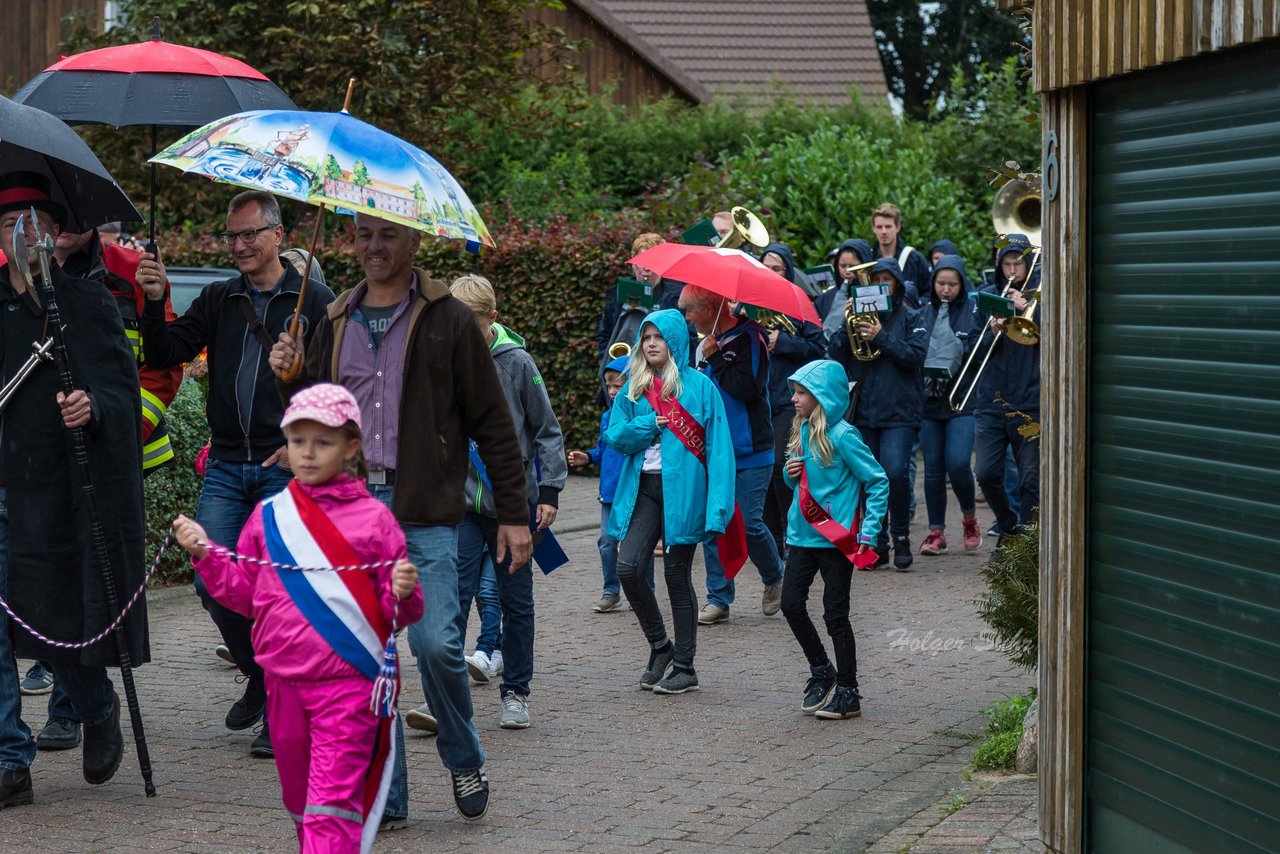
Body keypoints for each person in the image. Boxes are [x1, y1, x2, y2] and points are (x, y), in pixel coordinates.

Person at [269, 211, 531, 823]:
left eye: (387, 234)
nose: (374, 245)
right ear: (352, 242)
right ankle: (388, 794)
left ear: (413, 240)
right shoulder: (332, 320)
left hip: (426, 513)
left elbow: (493, 420)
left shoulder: (449, 320)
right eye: (364, 234)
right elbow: (316, 419)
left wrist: (513, 513)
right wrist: (291, 379)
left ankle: (463, 752)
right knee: (365, 660)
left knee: (437, 645)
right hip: (353, 514)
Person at [173, 383, 424, 851]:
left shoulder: (374, 521)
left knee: (331, 807)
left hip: (348, 687)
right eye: (297, 441)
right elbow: (246, 593)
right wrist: (204, 553)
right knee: (301, 804)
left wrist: (403, 594)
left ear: (351, 447)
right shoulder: (269, 516)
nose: (307, 453)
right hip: (281, 685)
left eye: (322, 442)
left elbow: (400, 614)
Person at [137, 190, 337, 758]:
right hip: (226, 464)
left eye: (251, 234)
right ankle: (262, 674)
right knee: (211, 577)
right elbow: (164, 350)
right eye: (232, 236)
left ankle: (281, 706)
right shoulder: (221, 298)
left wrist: (301, 432)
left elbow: (338, 388)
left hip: (281, 468)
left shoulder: (316, 303)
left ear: (278, 235)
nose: (241, 245)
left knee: (281, 593)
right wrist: (155, 300)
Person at [0, 172, 142, 807]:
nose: (22, 234)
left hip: (58, 493)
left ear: (54, 232)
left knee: (46, 626)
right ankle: (10, 759)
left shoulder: (85, 302)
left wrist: (95, 407)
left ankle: (96, 703)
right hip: (4, 484)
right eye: (9, 223)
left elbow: (121, 388)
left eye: (33, 221)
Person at [28, 224, 184, 754]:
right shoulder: (14, 272)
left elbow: (162, 367)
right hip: (42, 462)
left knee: (93, 582)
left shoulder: (131, 270)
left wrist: (118, 431)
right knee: (49, 579)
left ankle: (73, 709)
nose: (59, 226)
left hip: (115, 454)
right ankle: (84, 704)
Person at [448, 274, 566, 730]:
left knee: (517, 603)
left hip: (511, 506)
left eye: (471, 325)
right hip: (459, 504)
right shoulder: (444, 357)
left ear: (492, 319)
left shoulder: (517, 362)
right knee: (452, 600)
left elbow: (547, 430)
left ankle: (516, 691)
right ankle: (450, 697)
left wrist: (551, 490)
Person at [605, 310, 734, 695]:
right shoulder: (633, 389)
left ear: (675, 341)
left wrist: (718, 508)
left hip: (686, 492)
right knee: (627, 568)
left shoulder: (700, 387)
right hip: (644, 487)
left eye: (659, 337)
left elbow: (720, 451)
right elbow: (616, 436)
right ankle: (661, 647)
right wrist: (648, 425)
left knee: (676, 575)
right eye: (646, 337)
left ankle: (685, 667)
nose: (651, 343)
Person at [780, 360, 888, 720]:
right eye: (794, 392)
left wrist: (869, 532)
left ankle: (848, 690)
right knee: (791, 605)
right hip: (801, 536)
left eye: (801, 393)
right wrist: (788, 473)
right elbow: (796, 483)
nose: (793, 399)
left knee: (835, 615)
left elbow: (877, 481)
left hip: (837, 541)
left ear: (822, 397)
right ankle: (820, 669)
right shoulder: (802, 430)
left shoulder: (844, 436)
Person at [677, 284, 785, 624]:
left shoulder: (751, 338)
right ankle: (719, 598)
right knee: (715, 524)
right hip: (713, 449)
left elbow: (748, 388)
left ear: (710, 308)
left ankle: (774, 576)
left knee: (750, 524)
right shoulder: (704, 342)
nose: (687, 318)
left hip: (750, 448)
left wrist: (713, 358)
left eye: (690, 310)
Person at [827, 257, 928, 569]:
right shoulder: (855, 316)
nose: (879, 283)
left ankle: (901, 537)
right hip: (866, 409)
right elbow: (836, 354)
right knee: (868, 479)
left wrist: (881, 337)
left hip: (900, 411)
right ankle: (877, 541)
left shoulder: (912, 316)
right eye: (874, 278)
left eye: (886, 278)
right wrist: (847, 329)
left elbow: (915, 357)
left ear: (896, 283)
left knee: (896, 473)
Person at [568, 354, 655, 613]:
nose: (613, 391)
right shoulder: (607, 417)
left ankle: (644, 589)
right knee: (606, 541)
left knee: (640, 544)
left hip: (636, 489)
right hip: (609, 493)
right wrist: (588, 457)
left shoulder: (644, 413)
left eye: (618, 385)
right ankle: (611, 589)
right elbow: (603, 449)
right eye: (609, 386)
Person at [757, 243, 826, 552]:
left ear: (788, 270)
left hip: (789, 398)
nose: (770, 274)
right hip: (759, 397)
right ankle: (772, 536)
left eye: (777, 269)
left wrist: (782, 341)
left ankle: (789, 530)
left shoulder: (802, 303)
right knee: (763, 468)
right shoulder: (753, 304)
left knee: (778, 466)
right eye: (766, 268)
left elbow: (817, 348)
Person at [974, 235, 1041, 541]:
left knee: (1031, 480)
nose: (1012, 269)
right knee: (985, 473)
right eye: (1006, 263)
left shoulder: (1041, 296)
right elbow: (970, 349)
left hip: (1029, 400)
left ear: (1028, 264)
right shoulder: (986, 296)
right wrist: (992, 331)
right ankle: (1008, 527)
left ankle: (1026, 543)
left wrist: (1031, 310)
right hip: (991, 400)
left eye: (1018, 262)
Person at [918, 256, 984, 555]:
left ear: (962, 284)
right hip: (929, 401)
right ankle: (936, 532)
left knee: (958, 463)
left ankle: (969, 518)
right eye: (940, 284)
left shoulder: (972, 313)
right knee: (932, 469)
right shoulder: (922, 313)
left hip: (962, 400)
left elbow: (980, 352)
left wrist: (959, 348)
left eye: (952, 284)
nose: (945, 290)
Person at [595, 233, 686, 368]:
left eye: (653, 261)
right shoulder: (617, 294)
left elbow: (686, 339)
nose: (646, 269)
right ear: (633, 264)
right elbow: (604, 335)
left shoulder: (678, 296)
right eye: (642, 261)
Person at [869, 203, 932, 308]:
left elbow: (930, 293)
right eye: (879, 227)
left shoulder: (915, 258)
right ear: (873, 228)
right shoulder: (867, 258)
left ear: (898, 227)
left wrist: (914, 303)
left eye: (888, 226)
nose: (884, 231)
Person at [816, 239, 874, 344]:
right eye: (842, 266)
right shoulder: (827, 296)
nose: (847, 271)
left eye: (852, 267)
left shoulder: (873, 295)